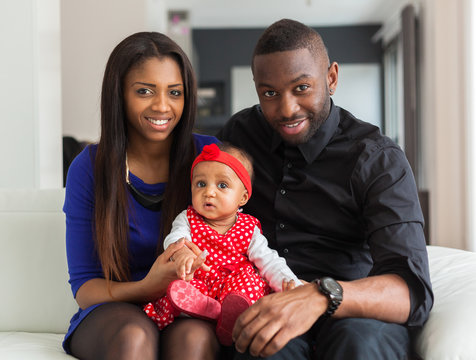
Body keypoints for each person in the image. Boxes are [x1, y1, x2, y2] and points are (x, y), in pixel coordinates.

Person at [217, 19, 434, 360]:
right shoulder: (241, 135)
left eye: (301, 87)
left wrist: (320, 295)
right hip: (267, 301)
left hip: (352, 307)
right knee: (260, 347)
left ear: (331, 78)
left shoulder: (377, 158)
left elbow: (412, 291)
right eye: (269, 93)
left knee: (360, 345)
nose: (286, 109)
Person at [63, 32, 219, 360]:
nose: (162, 106)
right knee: (134, 336)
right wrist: (149, 286)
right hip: (114, 311)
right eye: (144, 91)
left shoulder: (209, 157)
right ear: (119, 93)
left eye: (174, 93)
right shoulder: (89, 168)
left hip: (189, 307)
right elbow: (85, 288)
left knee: (193, 339)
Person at [143, 143, 301, 345]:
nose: (209, 192)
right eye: (201, 184)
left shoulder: (248, 227)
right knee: (179, 286)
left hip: (234, 287)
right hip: (201, 284)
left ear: (242, 197)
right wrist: (181, 253)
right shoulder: (188, 218)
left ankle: (232, 315)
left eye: (222, 185)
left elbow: (269, 261)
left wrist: (289, 282)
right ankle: (206, 309)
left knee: (250, 282)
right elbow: (175, 238)